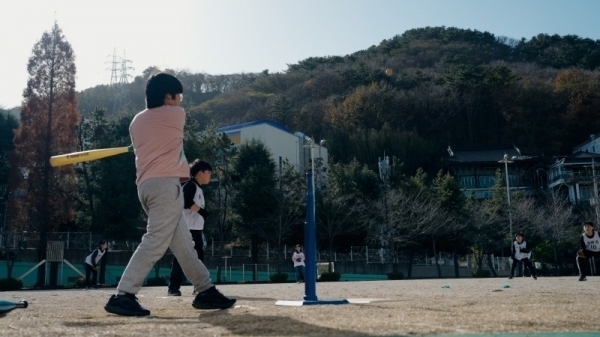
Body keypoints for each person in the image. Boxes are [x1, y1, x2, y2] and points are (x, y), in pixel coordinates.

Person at [104, 73, 235, 316]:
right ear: (168, 96)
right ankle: (123, 295)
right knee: (155, 241)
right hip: (165, 186)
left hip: (145, 187)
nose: (180, 100)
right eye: (178, 95)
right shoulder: (177, 114)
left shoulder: (136, 122)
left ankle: (205, 290)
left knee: (185, 246)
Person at [168, 159, 212, 296]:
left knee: (198, 259)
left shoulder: (197, 188)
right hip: (187, 229)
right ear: (200, 173)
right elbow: (186, 201)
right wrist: (201, 211)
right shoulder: (190, 185)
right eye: (208, 172)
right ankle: (173, 288)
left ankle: (199, 287)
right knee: (181, 258)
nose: (210, 175)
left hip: (196, 230)